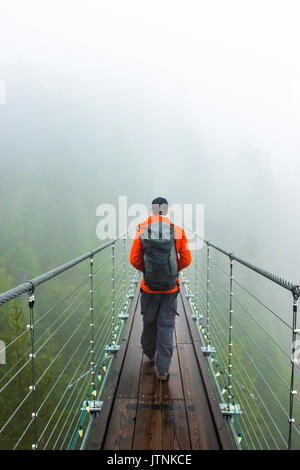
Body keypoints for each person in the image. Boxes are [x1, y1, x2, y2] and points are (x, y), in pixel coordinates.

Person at [130, 197, 192, 380]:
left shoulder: (142, 230)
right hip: (170, 290)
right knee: (166, 326)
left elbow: (134, 259)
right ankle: (163, 370)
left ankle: (149, 353)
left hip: (148, 287)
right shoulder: (177, 231)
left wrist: (148, 272)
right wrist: (173, 272)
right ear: (166, 211)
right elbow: (187, 259)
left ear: (151, 210)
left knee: (149, 321)